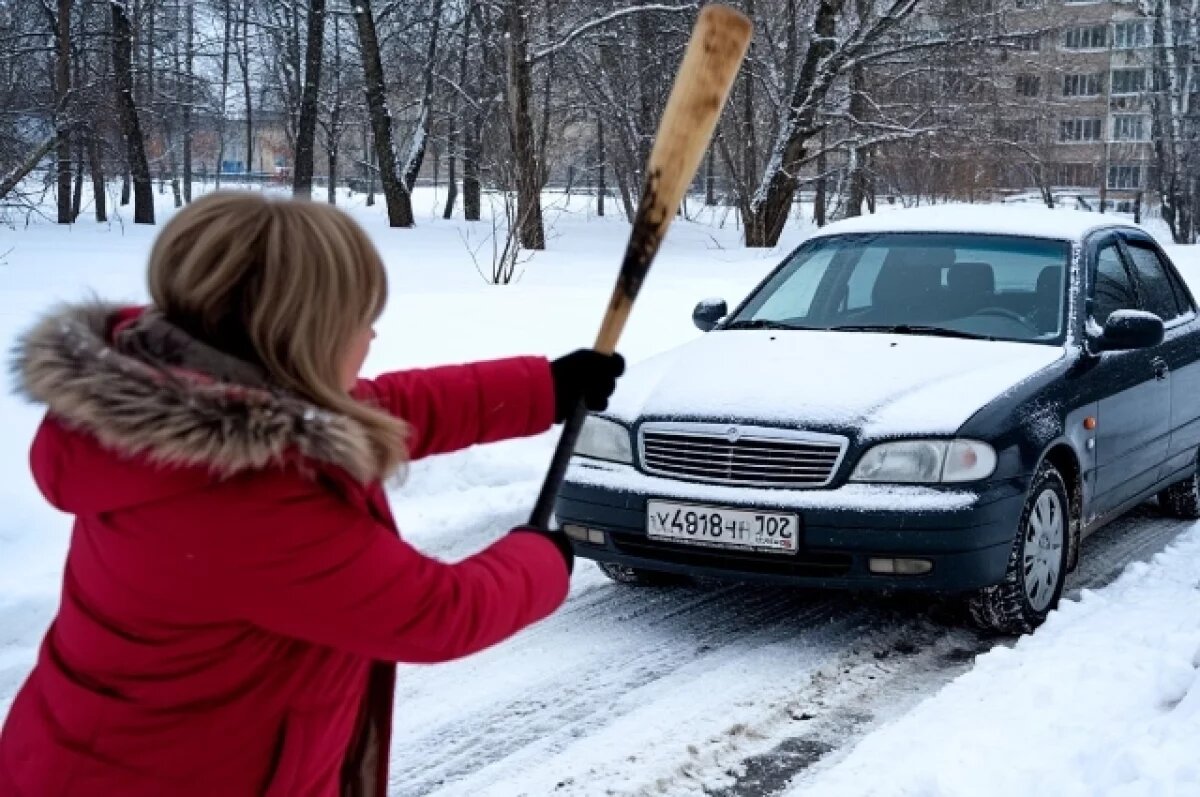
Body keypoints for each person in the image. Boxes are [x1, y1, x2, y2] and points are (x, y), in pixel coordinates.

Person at [0, 192, 624, 796]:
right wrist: (542, 558)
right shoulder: (247, 508)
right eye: (362, 322)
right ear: (302, 338)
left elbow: (369, 413)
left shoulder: (170, 421)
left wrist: (541, 388)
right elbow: (438, 614)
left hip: (103, 757)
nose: (373, 339)